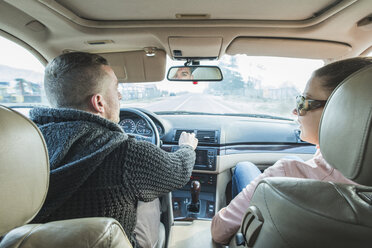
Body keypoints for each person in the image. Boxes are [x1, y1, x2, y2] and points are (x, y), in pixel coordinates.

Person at [29, 52, 198, 248]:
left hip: (33, 241)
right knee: (149, 195)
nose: (120, 95)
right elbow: (177, 172)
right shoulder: (126, 152)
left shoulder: (26, 143)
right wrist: (187, 147)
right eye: (116, 88)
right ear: (99, 102)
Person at [211, 57, 372, 245]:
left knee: (244, 167)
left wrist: (224, 211)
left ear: (341, 110)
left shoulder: (287, 173)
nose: (295, 111)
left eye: (303, 102)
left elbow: (219, 230)